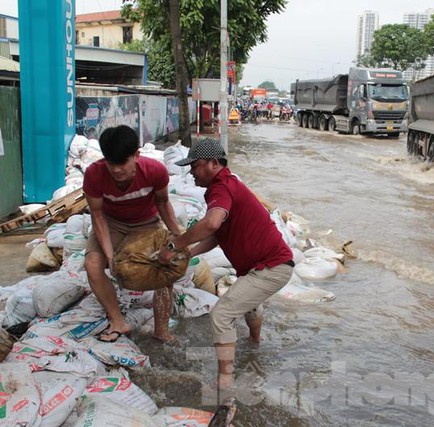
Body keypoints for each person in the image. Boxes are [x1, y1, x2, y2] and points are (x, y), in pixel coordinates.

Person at [158, 137, 293, 388]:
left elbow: (210, 223)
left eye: (195, 166)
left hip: (271, 267)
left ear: (212, 163)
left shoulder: (222, 187)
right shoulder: (226, 184)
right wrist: (190, 253)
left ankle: (225, 382)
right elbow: (217, 235)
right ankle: (254, 344)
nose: (191, 172)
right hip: (265, 265)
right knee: (248, 302)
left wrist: (174, 244)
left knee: (221, 315)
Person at [83, 125, 182, 343]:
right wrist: (110, 257)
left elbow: (163, 203)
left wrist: (179, 237)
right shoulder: (93, 174)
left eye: (122, 163)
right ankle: (118, 320)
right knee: (92, 264)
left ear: (136, 155)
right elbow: (97, 216)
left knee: (165, 266)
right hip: (112, 223)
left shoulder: (155, 170)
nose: (116, 170)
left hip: (147, 223)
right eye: (110, 163)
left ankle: (162, 329)